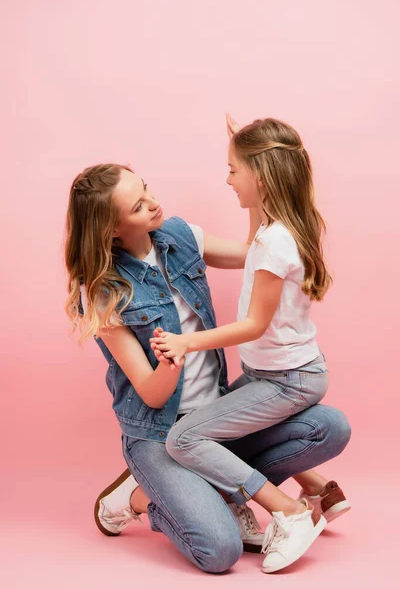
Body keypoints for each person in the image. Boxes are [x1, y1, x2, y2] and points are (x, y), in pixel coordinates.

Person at [64, 131, 350, 576]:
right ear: (112, 229)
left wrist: (261, 186)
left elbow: (252, 254)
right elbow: (153, 395)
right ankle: (137, 497)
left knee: (328, 427)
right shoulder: (104, 291)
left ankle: (215, 486)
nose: (153, 203)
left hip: (211, 420)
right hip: (159, 433)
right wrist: (170, 359)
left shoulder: (180, 235)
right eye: (139, 206)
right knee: (220, 550)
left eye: (146, 189)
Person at [149, 116, 351, 572]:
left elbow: (255, 325)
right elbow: (252, 233)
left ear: (260, 177)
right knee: (224, 421)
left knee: (185, 438)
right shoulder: (276, 226)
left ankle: (290, 512)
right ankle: (322, 489)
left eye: (234, 170)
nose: (227, 179)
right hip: (281, 373)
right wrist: (251, 164)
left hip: (287, 381)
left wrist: (187, 342)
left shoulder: (277, 241)